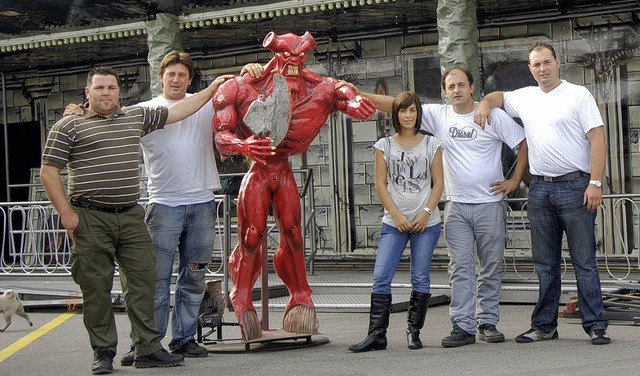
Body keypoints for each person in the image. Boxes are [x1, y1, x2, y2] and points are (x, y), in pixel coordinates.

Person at [40, 65, 233, 374]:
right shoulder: (69, 125)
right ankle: (103, 352)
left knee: (144, 283)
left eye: (111, 88)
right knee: (96, 288)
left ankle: (147, 348)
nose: (106, 93)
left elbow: (179, 110)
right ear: (87, 92)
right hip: (90, 217)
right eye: (99, 88)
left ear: (119, 92)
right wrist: (67, 214)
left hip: (130, 215)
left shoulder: (135, 117)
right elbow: (49, 171)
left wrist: (210, 90)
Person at [342, 65, 528, 348]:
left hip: (490, 204)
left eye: (461, 85)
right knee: (460, 268)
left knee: (490, 266)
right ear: (444, 91)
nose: (456, 90)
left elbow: (523, 142)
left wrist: (514, 180)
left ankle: (487, 322)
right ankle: (462, 326)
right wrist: (357, 93)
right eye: (451, 86)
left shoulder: (492, 115)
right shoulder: (438, 115)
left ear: (471, 87)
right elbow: (397, 104)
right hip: (455, 205)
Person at [212, 31, 376, 340]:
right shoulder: (242, 87)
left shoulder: (318, 87)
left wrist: (355, 102)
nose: (294, 63)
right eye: (288, 56)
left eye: (300, 57)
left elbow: (343, 92)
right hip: (259, 169)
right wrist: (243, 145)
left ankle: (300, 294)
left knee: (294, 233)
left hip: (283, 169)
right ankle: (242, 294)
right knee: (252, 234)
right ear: (276, 56)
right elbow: (221, 134)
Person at [475, 41, 610, 345]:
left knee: (584, 260)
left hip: (576, 186)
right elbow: (498, 97)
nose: (542, 69)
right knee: (545, 264)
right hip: (539, 189)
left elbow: (597, 138)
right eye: (536, 64)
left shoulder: (578, 94)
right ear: (530, 68)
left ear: (557, 62)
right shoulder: (525, 97)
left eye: (546, 62)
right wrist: (484, 102)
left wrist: (596, 182)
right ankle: (544, 325)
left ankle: (596, 325)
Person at [349, 92, 444, 353]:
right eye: (403, 111)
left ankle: (414, 332)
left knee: (420, 278)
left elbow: (439, 184)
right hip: (394, 222)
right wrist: (398, 215)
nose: (408, 115)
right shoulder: (384, 145)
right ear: (396, 115)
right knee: (381, 277)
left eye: (412, 110)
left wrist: (425, 212)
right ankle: (377, 334)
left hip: (427, 222)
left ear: (418, 113)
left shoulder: (432, 144)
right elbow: (380, 184)